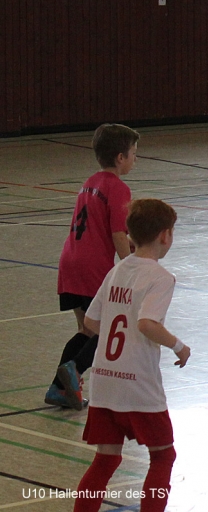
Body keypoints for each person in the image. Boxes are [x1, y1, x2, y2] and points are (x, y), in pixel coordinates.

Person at [73, 198, 189, 512]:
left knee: (105, 459)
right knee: (163, 456)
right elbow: (147, 323)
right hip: (138, 384)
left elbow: (90, 322)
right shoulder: (160, 277)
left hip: (104, 381)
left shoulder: (117, 270)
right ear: (165, 235)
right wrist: (179, 346)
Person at [46, 124, 139, 411]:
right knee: (107, 327)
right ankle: (74, 369)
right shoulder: (119, 188)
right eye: (134, 154)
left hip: (70, 261)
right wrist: (131, 267)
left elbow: (98, 227)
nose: (135, 159)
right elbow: (117, 233)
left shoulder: (90, 182)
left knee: (86, 330)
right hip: (91, 267)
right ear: (121, 158)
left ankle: (59, 389)